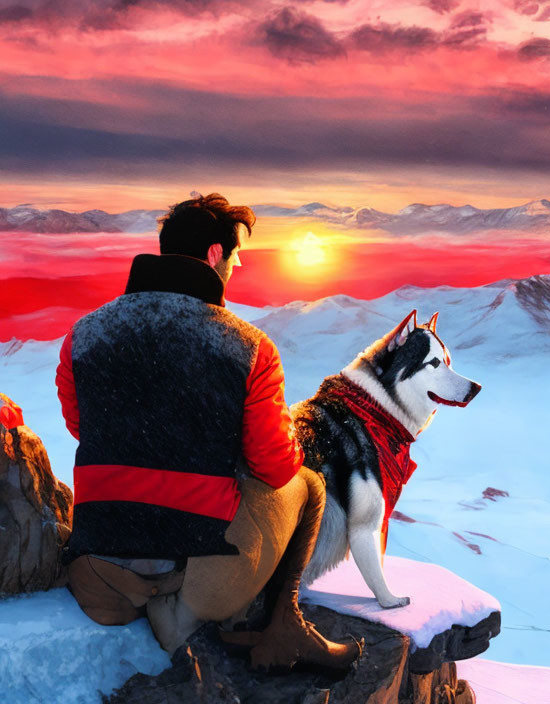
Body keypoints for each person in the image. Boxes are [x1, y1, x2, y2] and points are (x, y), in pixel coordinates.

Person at [55, 193, 362, 672]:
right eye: (235, 256)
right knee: (310, 485)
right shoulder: (248, 347)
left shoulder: (83, 334)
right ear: (215, 255)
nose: (236, 267)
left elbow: (81, 426)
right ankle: (281, 630)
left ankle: (142, 592)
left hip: (99, 570)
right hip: (199, 578)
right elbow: (274, 464)